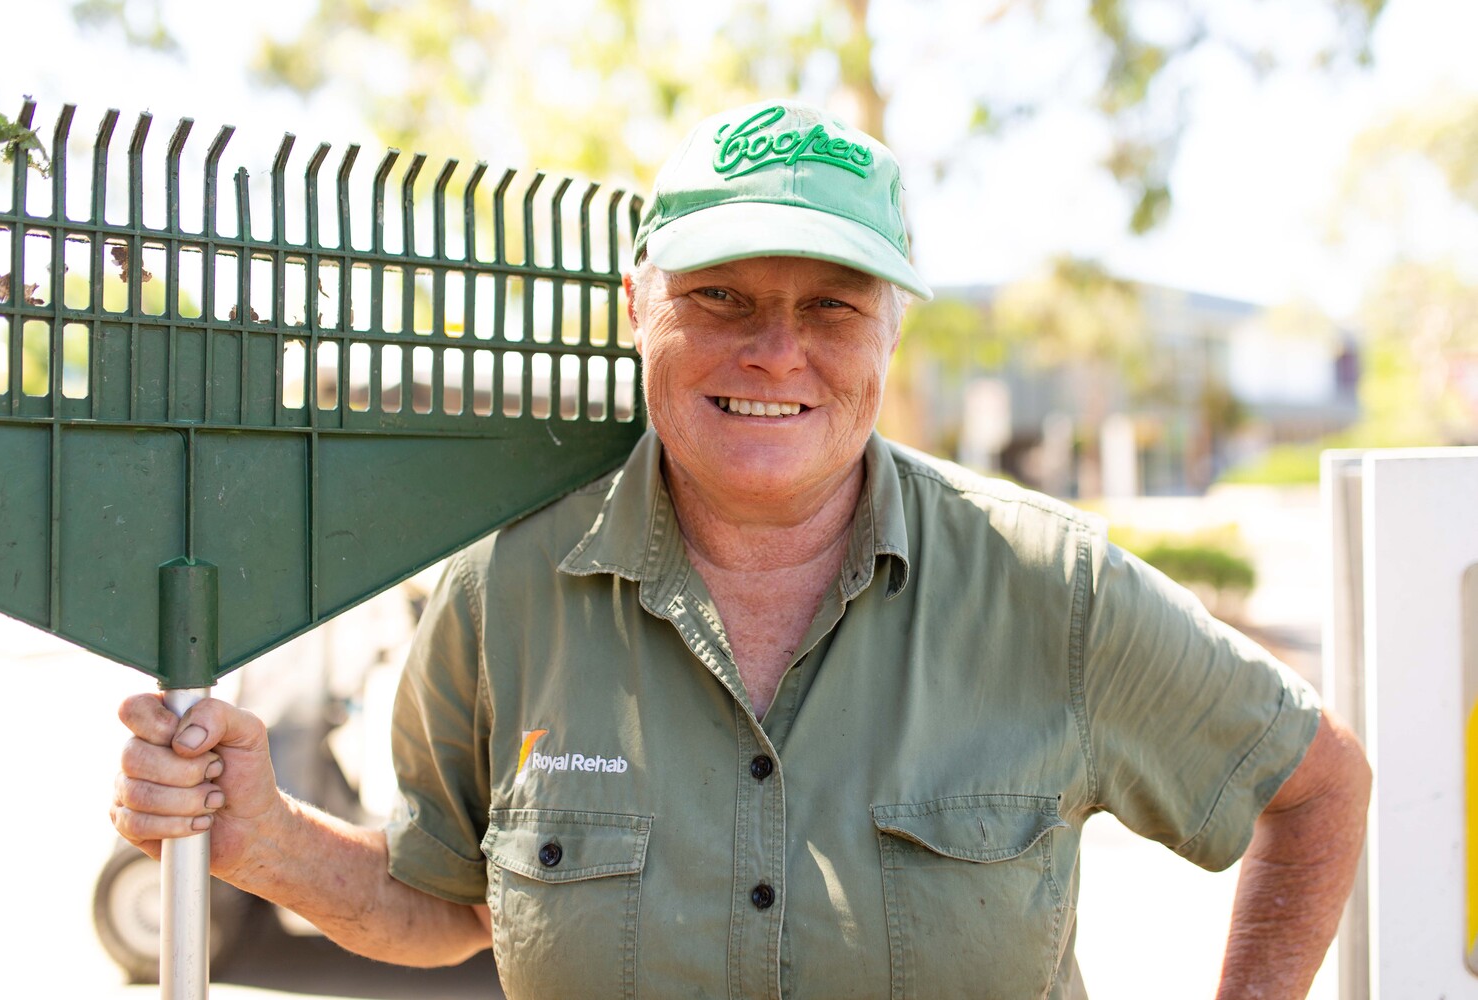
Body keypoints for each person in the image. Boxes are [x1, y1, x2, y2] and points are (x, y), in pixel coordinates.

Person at [112, 100, 1371, 999]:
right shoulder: (506, 592)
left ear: (889, 336)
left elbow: (1315, 787)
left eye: (831, 305)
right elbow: (449, 907)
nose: (777, 351)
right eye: (721, 297)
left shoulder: (1053, 589)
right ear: (638, 307)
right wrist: (261, 833)